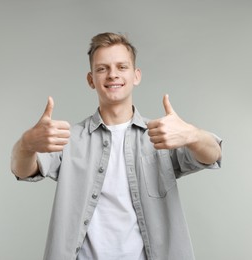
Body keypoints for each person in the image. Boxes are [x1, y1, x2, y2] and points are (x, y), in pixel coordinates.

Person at [11, 32, 222, 260]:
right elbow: (22, 170)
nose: (113, 75)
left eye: (122, 67)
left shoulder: (162, 134)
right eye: (102, 68)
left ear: (136, 75)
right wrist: (26, 144)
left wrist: (192, 135)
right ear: (91, 79)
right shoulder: (69, 139)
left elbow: (213, 155)